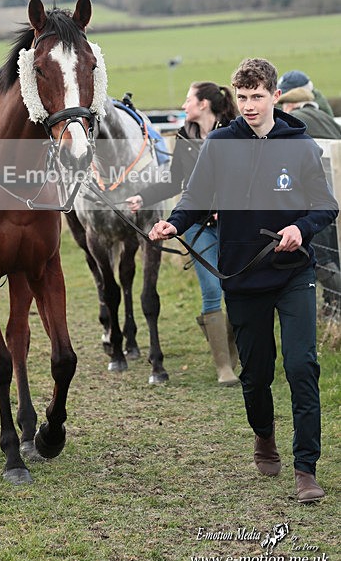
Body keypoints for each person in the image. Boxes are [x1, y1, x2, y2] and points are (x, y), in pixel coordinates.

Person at [149, 58, 338, 503]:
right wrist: (174, 223)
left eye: (257, 96)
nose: (250, 105)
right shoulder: (218, 144)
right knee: (256, 375)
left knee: (301, 367)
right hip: (243, 275)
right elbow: (195, 199)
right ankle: (264, 436)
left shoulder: (301, 143)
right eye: (243, 97)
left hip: (294, 273)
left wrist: (300, 228)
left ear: (275, 96)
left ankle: (305, 469)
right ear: (234, 97)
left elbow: (325, 206)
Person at [127, 82, 240, 386]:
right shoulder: (184, 137)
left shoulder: (235, 132)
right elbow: (176, 182)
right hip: (198, 227)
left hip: (236, 226)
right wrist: (143, 197)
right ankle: (224, 368)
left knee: (236, 289)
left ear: (204, 104)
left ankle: (234, 354)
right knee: (212, 290)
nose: (184, 103)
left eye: (189, 99)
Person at [277, 87, 341, 315]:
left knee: (321, 256)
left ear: (290, 106)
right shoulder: (326, 118)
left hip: (318, 197)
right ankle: (331, 306)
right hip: (334, 192)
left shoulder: (297, 120)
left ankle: (338, 305)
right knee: (333, 253)